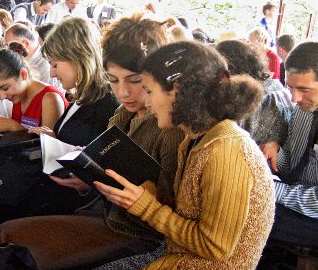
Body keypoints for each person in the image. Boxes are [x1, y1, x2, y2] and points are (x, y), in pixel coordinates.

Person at [0, 13, 185, 269]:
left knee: (12, 242)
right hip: (102, 212)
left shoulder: (169, 128)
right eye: (113, 80)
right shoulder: (122, 113)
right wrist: (89, 175)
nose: (123, 92)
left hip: (132, 231)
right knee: (5, 235)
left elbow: (169, 207)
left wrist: (99, 181)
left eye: (135, 81)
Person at [95, 41, 274, 269]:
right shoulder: (195, 138)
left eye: (150, 91)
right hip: (178, 256)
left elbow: (215, 247)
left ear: (179, 91)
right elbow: (191, 212)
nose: (147, 103)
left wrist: (148, 206)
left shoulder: (225, 149)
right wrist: (152, 196)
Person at [33, 17, 118, 147]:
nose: (52, 73)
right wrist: (55, 139)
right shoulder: (85, 94)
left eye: (54, 65)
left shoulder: (108, 105)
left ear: (77, 58)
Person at [269, 41, 318, 248]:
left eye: (304, 89)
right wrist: (277, 152)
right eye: (290, 87)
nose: (294, 97)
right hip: (296, 198)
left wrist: (273, 191)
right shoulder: (301, 110)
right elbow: (292, 167)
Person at [215, 40, 292, 171]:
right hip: (278, 165)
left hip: (255, 170)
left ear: (229, 68)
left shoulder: (249, 97)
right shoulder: (276, 86)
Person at [0, 42, 67, 135]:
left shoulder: (50, 99)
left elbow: (49, 145)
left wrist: (12, 126)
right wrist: (1, 122)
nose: (2, 97)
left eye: (5, 88)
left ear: (23, 75)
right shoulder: (19, 95)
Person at [4, 23, 59, 90]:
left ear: (25, 43)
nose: (7, 50)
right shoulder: (19, 60)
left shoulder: (45, 66)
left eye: (10, 45)